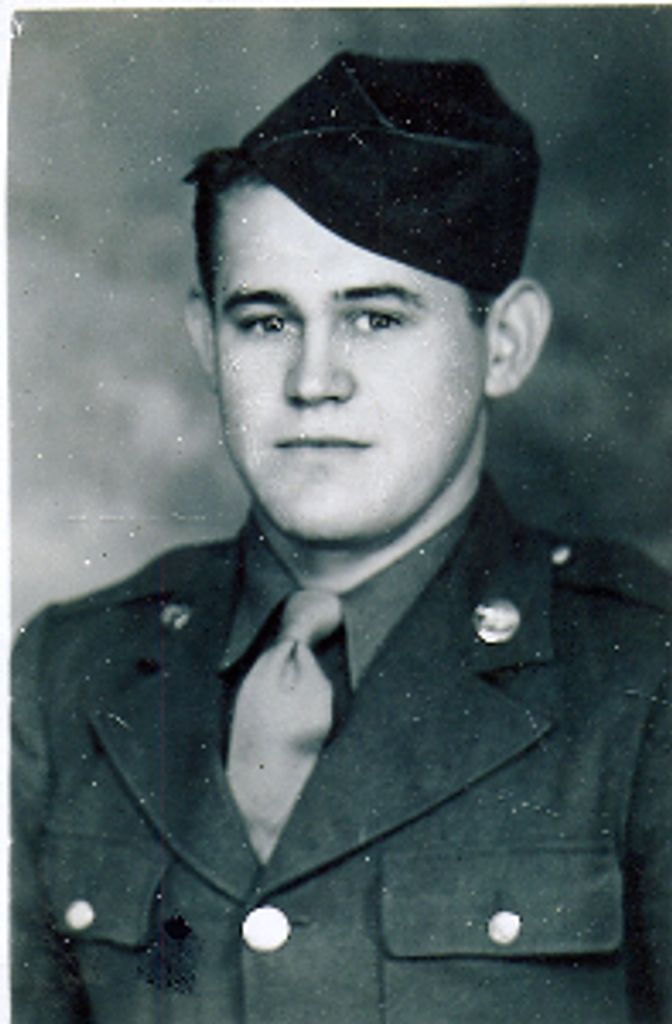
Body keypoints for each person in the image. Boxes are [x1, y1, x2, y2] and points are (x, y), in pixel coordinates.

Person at [12, 52, 670, 1024]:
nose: (314, 380)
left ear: (505, 344)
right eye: (265, 321)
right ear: (206, 341)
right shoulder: (71, 674)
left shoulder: (642, 678)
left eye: (376, 318)